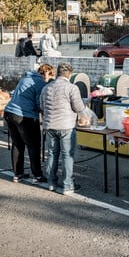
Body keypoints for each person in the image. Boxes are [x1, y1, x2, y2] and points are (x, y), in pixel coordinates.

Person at [4, 64, 55, 183]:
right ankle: (37, 175)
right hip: (25, 115)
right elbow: (39, 104)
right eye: (50, 75)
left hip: (9, 112)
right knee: (34, 145)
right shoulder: (40, 83)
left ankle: (18, 173)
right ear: (46, 73)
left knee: (17, 144)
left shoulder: (25, 78)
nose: (50, 78)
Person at [41, 62, 86, 195]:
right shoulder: (72, 88)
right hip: (66, 126)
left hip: (49, 125)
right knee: (67, 155)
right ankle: (67, 185)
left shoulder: (46, 88)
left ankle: (51, 182)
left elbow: (42, 107)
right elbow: (79, 107)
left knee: (52, 154)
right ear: (70, 74)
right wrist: (85, 116)